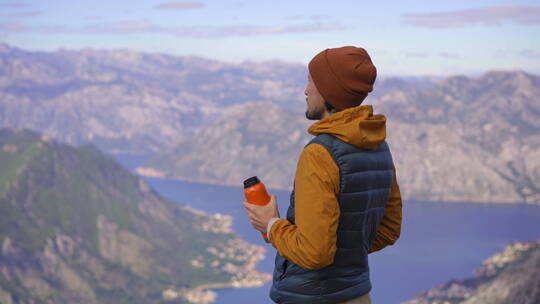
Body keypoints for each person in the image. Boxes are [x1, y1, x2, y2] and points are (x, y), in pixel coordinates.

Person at [243, 46, 402, 304]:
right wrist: (345, 251)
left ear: (328, 90)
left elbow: (315, 254)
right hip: (359, 295)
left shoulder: (320, 153)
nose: (306, 91)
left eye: (311, 82)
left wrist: (270, 225)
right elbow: (389, 230)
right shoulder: (379, 147)